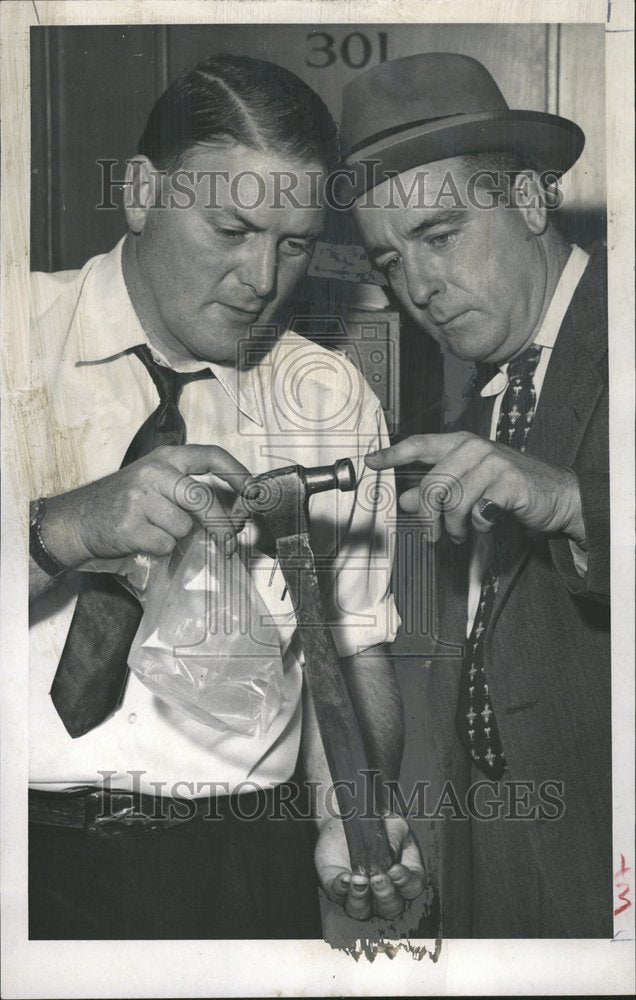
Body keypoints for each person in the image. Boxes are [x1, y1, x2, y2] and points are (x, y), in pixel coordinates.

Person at [26, 54, 425, 940]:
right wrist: (59, 530)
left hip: (240, 863)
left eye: (294, 245)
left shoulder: (331, 398)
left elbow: (355, 651)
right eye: (231, 228)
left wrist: (347, 823)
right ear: (139, 193)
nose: (262, 278)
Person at [343, 52, 611, 937]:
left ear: (530, 202)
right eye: (391, 260)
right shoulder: (481, 401)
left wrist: (576, 503)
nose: (418, 287)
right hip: (502, 850)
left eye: (441, 234)